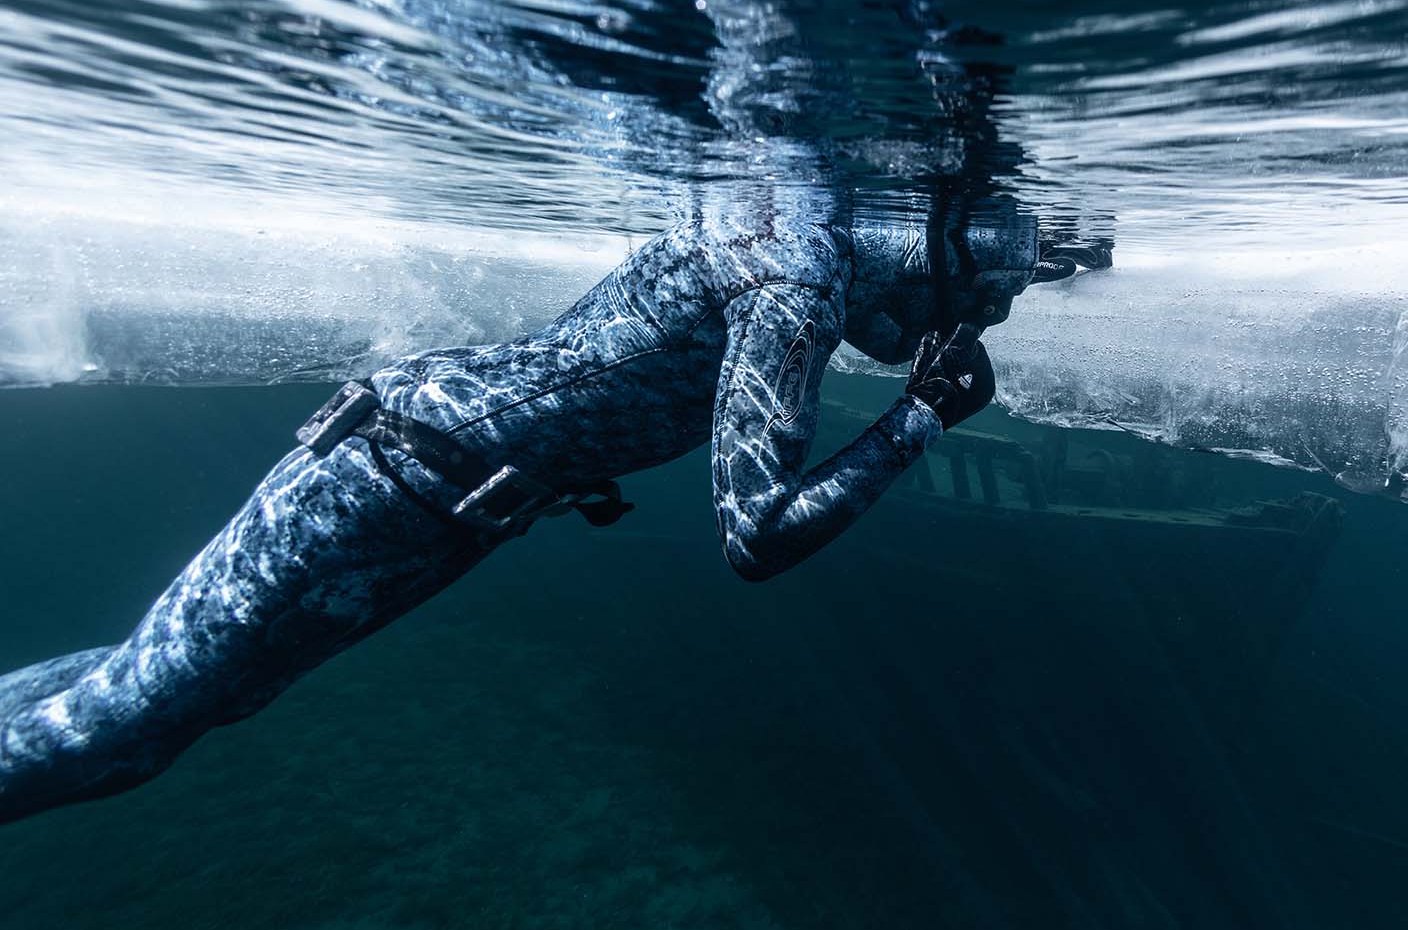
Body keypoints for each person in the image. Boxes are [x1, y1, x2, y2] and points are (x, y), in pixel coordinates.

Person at [0, 198, 1108, 825]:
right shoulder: (796, 275)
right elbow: (755, 536)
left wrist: (927, 350)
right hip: (382, 485)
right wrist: (919, 418)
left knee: (161, 708)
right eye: (987, 305)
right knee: (124, 726)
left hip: (429, 497)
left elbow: (876, 322)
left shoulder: (812, 244)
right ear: (941, 256)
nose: (985, 325)